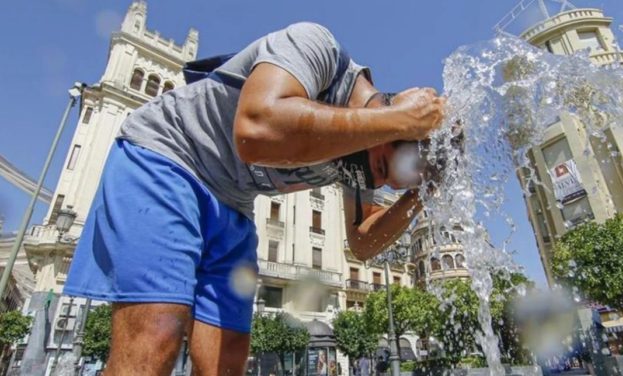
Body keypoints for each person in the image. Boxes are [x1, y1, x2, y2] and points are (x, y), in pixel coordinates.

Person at [64, 22, 445, 375]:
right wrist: (401, 120)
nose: (369, 180)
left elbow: (362, 242)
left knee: (226, 361)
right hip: (169, 155)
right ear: (391, 114)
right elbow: (255, 130)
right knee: (156, 337)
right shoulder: (317, 46)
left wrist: (421, 194)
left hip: (233, 204)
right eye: (379, 166)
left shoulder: (363, 149)